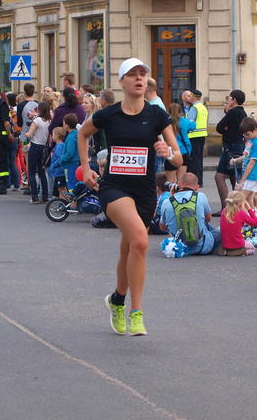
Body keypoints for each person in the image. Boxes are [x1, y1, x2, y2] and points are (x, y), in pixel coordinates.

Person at [78, 57, 182, 336]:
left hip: (144, 191)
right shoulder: (109, 114)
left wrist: (168, 153)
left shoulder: (157, 115)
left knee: (130, 249)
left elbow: (179, 157)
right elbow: (82, 135)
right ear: (121, 81)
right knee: (140, 241)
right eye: (133, 74)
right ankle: (136, 313)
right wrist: (86, 168)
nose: (139, 79)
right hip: (114, 188)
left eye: (142, 74)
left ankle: (117, 299)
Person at [159, 172, 220, 257]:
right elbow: (208, 218)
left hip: (178, 248)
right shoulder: (201, 196)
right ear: (197, 187)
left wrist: (171, 197)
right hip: (203, 247)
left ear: (178, 184)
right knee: (219, 230)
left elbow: (163, 227)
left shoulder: (167, 202)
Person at [214, 90, 248, 215]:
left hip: (231, 147)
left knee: (219, 177)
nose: (228, 100)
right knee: (235, 177)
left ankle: (226, 208)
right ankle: (237, 208)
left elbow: (219, 127)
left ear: (234, 100)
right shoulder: (242, 112)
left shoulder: (233, 112)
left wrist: (226, 125)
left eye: (229, 98)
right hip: (239, 145)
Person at [230, 117, 257, 206]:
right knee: (248, 201)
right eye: (244, 134)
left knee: (239, 200)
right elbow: (247, 156)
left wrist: (242, 181)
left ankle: (243, 215)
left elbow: (251, 164)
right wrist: (236, 160)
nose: (245, 136)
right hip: (250, 176)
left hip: (252, 176)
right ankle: (252, 215)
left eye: (247, 134)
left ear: (255, 130)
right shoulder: (251, 139)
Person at [25, 101, 51, 203]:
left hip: (35, 146)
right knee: (42, 172)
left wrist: (26, 133)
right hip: (43, 147)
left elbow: (30, 134)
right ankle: (45, 196)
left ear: (39, 110)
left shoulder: (37, 121)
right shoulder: (48, 121)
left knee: (31, 172)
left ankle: (34, 196)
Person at [218, 190, 257, 256]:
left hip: (225, 244)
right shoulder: (241, 213)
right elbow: (255, 223)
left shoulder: (224, 211)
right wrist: (250, 209)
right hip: (238, 244)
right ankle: (244, 251)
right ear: (240, 204)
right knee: (251, 247)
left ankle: (226, 250)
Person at [165, 102, 195, 183]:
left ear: (168, 111)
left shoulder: (165, 122)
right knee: (181, 181)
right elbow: (193, 126)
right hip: (183, 152)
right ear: (180, 112)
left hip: (171, 152)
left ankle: (171, 191)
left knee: (170, 182)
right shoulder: (185, 122)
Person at [186, 89, 208, 186]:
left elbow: (190, 122)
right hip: (202, 135)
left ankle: (195, 181)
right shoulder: (203, 107)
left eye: (191, 95)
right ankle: (199, 180)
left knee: (193, 160)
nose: (189, 97)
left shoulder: (194, 108)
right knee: (199, 159)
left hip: (193, 135)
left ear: (195, 97)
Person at [48, 126, 68, 199]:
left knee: (61, 189)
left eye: (53, 134)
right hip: (59, 171)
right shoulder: (61, 145)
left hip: (60, 172)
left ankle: (63, 201)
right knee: (60, 189)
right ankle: (62, 201)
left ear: (56, 136)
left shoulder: (59, 146)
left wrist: (53, 165)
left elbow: (60, 158)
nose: (52, 136)